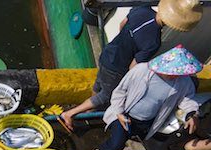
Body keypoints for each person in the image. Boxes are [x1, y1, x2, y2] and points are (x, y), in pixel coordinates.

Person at [58, 0, 202, 132]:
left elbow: (122, 23)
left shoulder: (142, 9)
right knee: (105, 96)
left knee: (98, 85)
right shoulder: (153, 42)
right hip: (117, 68)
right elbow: (134, 66)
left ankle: (88, 113)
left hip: (108, 53)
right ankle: (70, 114)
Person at [89, 45, 202, 150]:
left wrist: (192, 114)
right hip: (124, 115)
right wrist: (119, 112)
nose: (175, 76)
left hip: (147, 122)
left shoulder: (183, 82)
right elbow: (120, 92)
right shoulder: (141, 70)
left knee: (121, 142)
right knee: (117, 142)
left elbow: (188, 100)